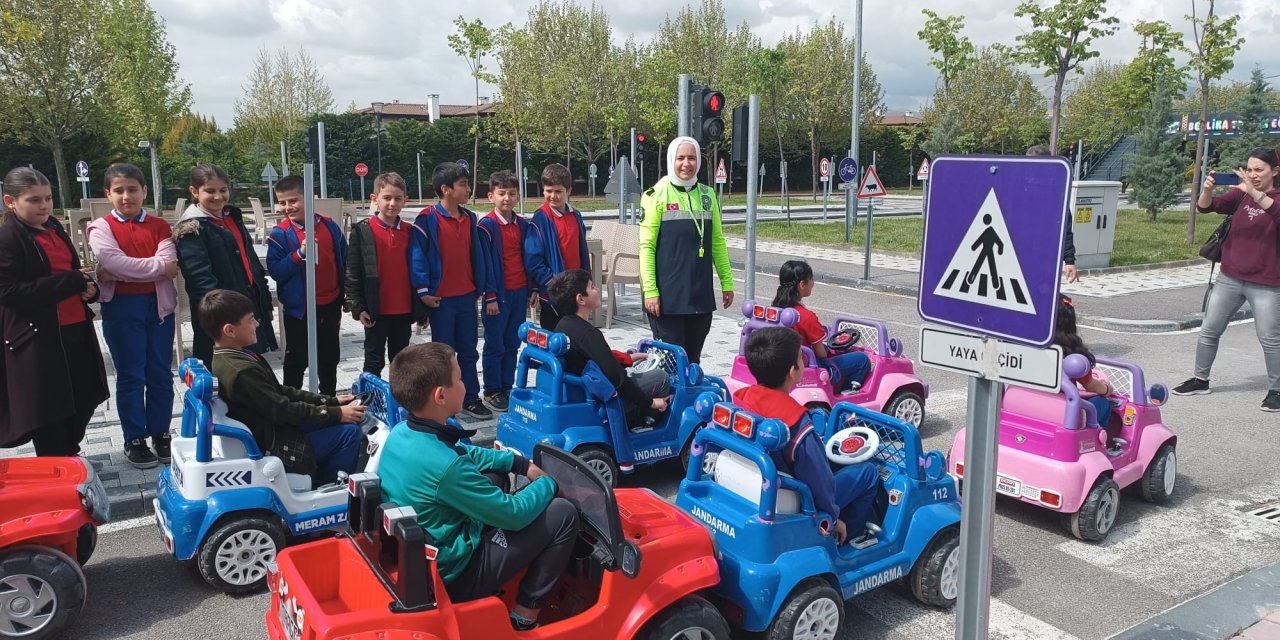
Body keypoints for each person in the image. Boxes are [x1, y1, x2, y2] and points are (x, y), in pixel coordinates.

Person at [378, 342, 579, 631]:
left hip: (427, 549)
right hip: (457, 575)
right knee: (562, 514)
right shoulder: (446, 468)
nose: (466, 384)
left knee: (494, 476)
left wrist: (517, 464)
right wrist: (547, 484)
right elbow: (513, 514)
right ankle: (525, 616)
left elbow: (463, 453)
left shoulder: (402, 432)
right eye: (460, 378)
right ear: (441, 395)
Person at [734, 327, 879, 545]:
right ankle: (850, 539)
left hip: (750, 482)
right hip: (795, 499)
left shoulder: (741, 400)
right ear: (792, 372)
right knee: (868, 472)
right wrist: (832, 516)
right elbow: (821, 484)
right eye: (801, 359)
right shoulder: (796, 423)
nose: (804, 362)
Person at [200, 289, 362, 485]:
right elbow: (283, 409)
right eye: (251, 320)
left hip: (273, 428)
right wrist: (336, 413)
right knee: (349, 434)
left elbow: (280, 392)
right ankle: (333, 491)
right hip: (275, 441)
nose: (257, 324)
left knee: (337, 420)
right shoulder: (241, 371)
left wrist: (330, 402)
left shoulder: (233, 357)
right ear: (230, 330)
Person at [0, 167, 109, 456]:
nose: (44, 206)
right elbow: (8, 292)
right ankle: (58, 464)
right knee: (51, 412)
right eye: (34, 200)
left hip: (75, 328)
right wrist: (70, 281)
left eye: (47, 198)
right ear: (11, 202)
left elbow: (71, 271)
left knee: (84, 396)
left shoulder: (53, 227)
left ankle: (67, 454)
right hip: (38, 338)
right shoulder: (8, 238)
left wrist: (88, 288)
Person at [86, 163, 179, 468]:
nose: (127, 196)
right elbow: (113, 262)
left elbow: (166, 260)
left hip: (159, 309)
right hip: (122, 311)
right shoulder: (100, 227)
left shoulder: (160, 226)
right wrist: (155, 269)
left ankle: (161, 432)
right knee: (131, 376)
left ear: (144, 191)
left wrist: (124, 270)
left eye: (133, 189)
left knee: (160, 375)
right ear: (108, 194)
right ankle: (134, 437)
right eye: (119, 190)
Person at [1173, 147, 1280, 411]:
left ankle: (1276, 390)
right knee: (1209, 330)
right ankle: (1200, 379)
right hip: (1230, 277)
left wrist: (1253, 192)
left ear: (1275, 172)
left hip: (1267, 283)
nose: (1252, 175)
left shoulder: (1272, 197)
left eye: (1259, 170)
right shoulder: (1240, 194)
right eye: (1249, 169)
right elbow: (1206, 207)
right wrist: (1208, 189)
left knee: (1269, 338)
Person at [639, 136, 735, 363]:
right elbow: (646, 246)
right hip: (667, 297)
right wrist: (650, 290)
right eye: (680, 158)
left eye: (691, 158)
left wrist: (727, 282)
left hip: (699, 295)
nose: (686, 163)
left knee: (693, 361)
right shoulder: (655, 195)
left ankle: (692, 398)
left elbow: (717, 242)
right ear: (671, 160)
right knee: (671, 364)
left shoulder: (707, 194)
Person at [410, 162, 492, 420]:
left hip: (467, 297)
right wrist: (423, 290)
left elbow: (478, 256)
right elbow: (417, 256)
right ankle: (443, 402)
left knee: (469, 350)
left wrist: (481, 286)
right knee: (444, 355)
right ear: (446, 189)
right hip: (441, 301)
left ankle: (470, 397)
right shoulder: (427, 219)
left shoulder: (470, 219)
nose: (468, 188)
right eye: (463, 184)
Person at [175, 163, 276, 367]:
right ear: (194, 191)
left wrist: (263, 300)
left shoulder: (232, 217)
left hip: (246, 306)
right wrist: (225, 315)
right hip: (222, 316)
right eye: (210, 191)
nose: (218, 197)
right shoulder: (191, 228)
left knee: (252, 369)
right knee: (228, 376)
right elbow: (200, 280)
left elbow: (252, 263)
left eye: (223, 190)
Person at [548, 269, 671, 425]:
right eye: (592, 287)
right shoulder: (589, 334)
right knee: (661, 377)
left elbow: (595, 359)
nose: (597, 290)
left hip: (580, 391)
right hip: (599, 399)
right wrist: (650, 403)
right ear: (580, 299)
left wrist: (627, 359)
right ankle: (644, 423)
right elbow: (618, 380)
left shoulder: (563, 325)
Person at [267, 175, 348, 396]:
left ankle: (328, 399)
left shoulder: (330, 227)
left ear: (310, 199)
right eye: (282, 202)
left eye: (293, 200)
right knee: (296, 360)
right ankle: (292, 404)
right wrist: (298, 255)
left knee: (329, 357)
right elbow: (276, 271)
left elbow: (344, 260)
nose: (287, 207)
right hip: (298, 310)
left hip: (329, 305)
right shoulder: (280, 234)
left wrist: (346, 295)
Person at [347, 172, 426, 376]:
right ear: (375, 199)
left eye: (398, 198)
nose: (392, 203)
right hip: (376, 310)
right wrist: (358, 306)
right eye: (387, 198)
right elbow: (353, 272)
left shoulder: (411, 231)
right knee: (373, 359)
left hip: (403, 310)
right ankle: (369, 402)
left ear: (405, 200)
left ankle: (398, 403)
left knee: (401, 363)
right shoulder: (362, 231)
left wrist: (421, 309)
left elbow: (420, 271)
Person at [478, 170, 537, 412]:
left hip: (519, 293)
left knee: (512, 342)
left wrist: (533, 287)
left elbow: (530, 258)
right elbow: (485, 264)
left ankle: (507, 386)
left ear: (518, 196)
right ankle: (492, 390)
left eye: (512, 194)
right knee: (495, 344)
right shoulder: (486, 226)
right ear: (491, 195)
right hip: (497, 297)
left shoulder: (523, 225)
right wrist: (489, 295)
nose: (507, 198)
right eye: (501, 193)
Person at [772, 260, 871, 393]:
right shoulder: (806, 316)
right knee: (862, 359)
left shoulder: (776, 310)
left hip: (786, 358)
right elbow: (821, 353)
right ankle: (844, 394)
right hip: (805, 363)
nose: (813, 283)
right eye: (811, 279)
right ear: (802, 284)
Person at [526, 163, 589, 331]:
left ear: (568, 191)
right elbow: (533, 260)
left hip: (575, 292)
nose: (553, 196)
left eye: (558, 191)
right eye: (549, 191)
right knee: (555, 340)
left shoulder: (576, 215)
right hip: (553, 294)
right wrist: (553, 283)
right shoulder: (541, 219)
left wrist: (585, 282)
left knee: (575, 339)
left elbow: (582, 250)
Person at [1054, 295, 1115, 440]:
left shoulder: (1029, 347)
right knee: (1102, 403)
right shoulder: (1071, 356)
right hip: (1062, 413)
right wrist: (1107, 389)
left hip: (1026, 404)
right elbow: (1090, 385)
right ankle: (1096, 443)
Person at [1025, 144, 1078, 284]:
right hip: (1018, 253)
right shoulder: (1017, 188)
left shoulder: (1055, 194)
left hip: (1044, 258)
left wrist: (1070, 261)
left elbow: (1065, 230)